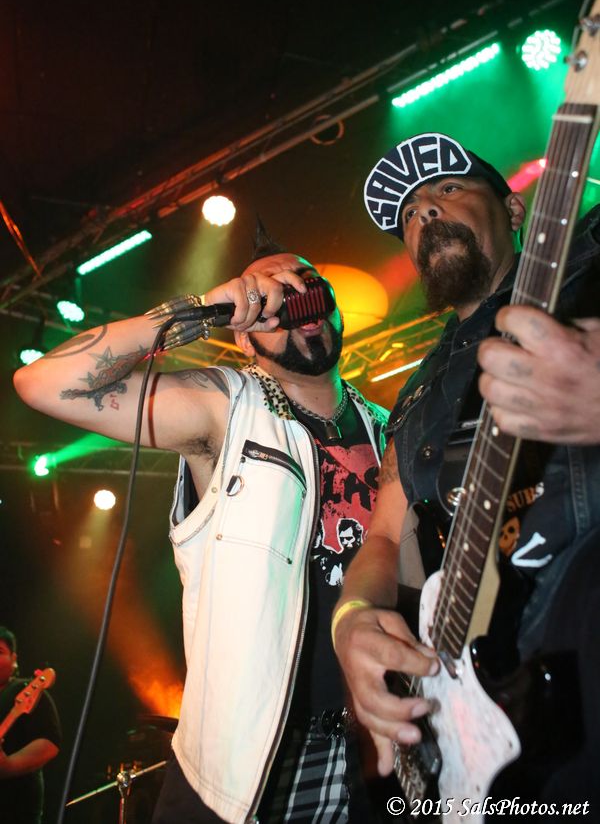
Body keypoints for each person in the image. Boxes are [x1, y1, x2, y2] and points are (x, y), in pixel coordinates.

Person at [14, 231, 391, 824]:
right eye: (275, 298)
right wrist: (204, 307)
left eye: (309, 286)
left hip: (377, 741)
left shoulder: (390, 428)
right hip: (258, 755)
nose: (297, 302)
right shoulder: (227, 406)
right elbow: (43, 383)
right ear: (244, 335)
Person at [333, 131, 600, 807]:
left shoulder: (590, 272)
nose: (424, 211)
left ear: (513, 210)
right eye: (408, 213)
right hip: (483, 708)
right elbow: (384, 537)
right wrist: (352, 620)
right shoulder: (416, 394)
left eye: (448, 189)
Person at [0, 627, 61, 824]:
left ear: (14, 658)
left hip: (15, 811)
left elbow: (49, 743)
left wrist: (9, 765)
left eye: (0, 652)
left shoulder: (25, 690)